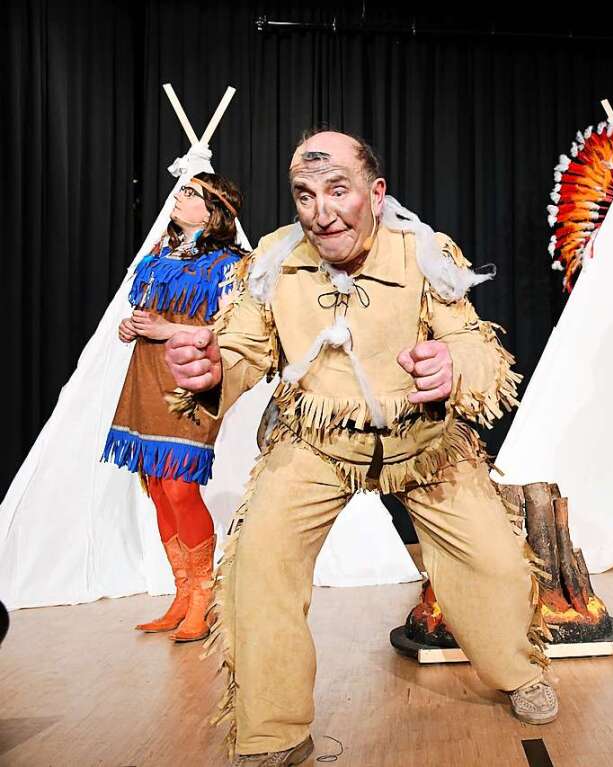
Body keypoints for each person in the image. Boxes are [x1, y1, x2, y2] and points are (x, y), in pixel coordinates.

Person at [165, 131, 556, 764]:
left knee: (496, 565)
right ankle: (273, 733)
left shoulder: (423, 250)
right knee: (257, 564)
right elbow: (242, 347)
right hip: (314, 442)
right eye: (305, 194)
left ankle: (519, 671)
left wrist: (453, 365)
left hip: (423, 443)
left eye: (338, 190)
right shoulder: (272, 258)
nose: (321, 212)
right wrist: (214, 367)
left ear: (375, 193)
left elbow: (480, 345)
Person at [102, 172, 244, 642]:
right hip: (145, 374)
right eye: (179, 190)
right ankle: (181, 594)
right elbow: (151, 314)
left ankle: (205, 597)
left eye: (189, 193)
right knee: (159, 486)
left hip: (190, 379)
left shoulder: (232, 265)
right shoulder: (159, 255)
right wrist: (132, 327)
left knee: (181, 486)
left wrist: (167, 331)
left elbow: (234, 334)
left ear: (214, 209)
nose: (177, 198)